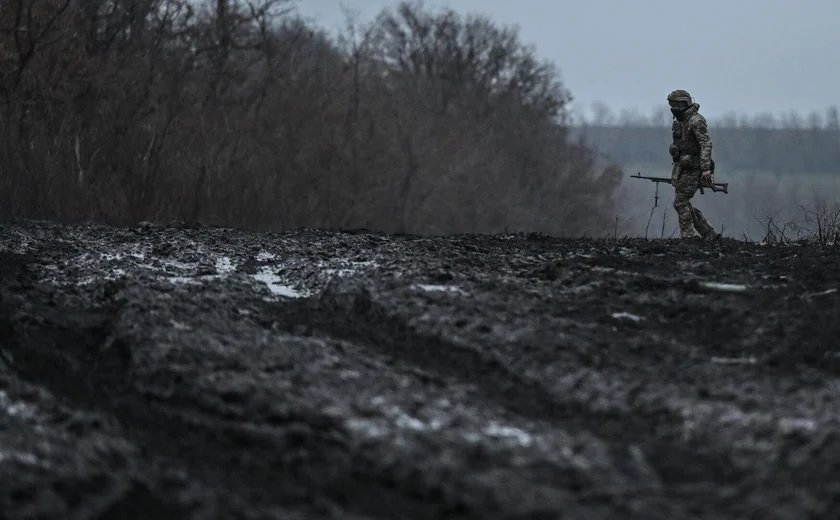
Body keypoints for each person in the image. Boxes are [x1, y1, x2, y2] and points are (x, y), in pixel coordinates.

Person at [667, 89, 721, 240]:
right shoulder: (680, 122)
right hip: (684, 167)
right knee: (682, 202)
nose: (674, 109)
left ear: (685, 104)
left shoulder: (696, 121)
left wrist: (705, 170)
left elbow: (706, 144)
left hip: (695, 168)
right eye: (672, 106)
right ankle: (708, 233)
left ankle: (688, 237)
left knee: (680, 201)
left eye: (676, 106)